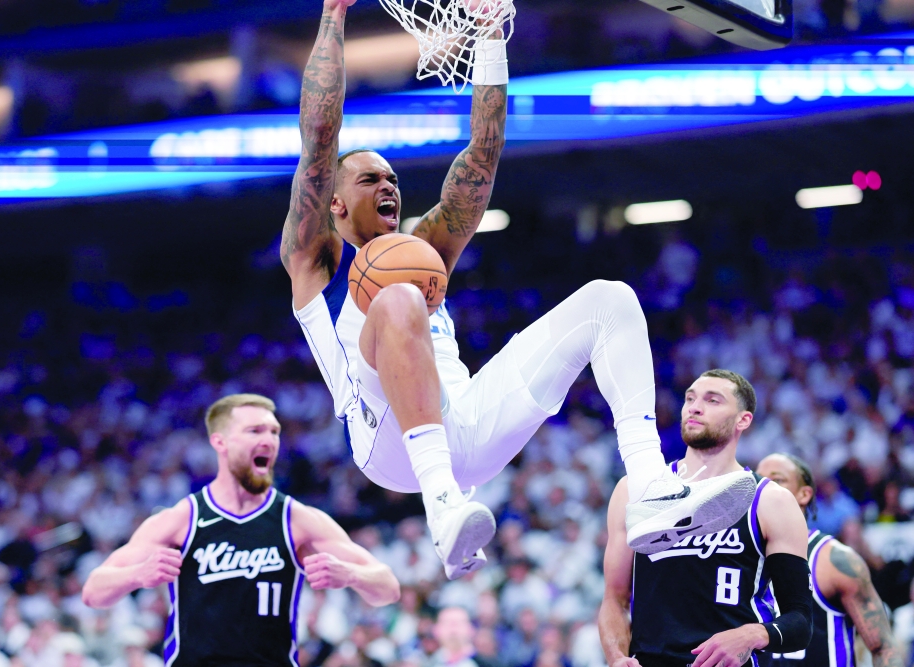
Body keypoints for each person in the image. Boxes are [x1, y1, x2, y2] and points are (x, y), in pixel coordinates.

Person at [281, 0, 757, 580]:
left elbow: (482, 157)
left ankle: (651, 485)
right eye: (370, 179)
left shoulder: (424, 249)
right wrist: (333, 14)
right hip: (387, 444)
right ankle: (441, 507)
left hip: (469, 430)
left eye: (393, 178)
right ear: (334, 202)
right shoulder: (316, 258)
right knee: (399, 299)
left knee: (609, 300)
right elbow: (318, 139)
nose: (389, 186)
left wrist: (489, 36)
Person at [81, 394, 400, 667]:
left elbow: (388, 587)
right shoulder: (182, 519)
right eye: (255, 431)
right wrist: (138, 575)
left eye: (274, 432)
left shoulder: (296, 519)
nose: (269, 440)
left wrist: (350, 575)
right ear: (220, 442)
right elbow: (93, 592)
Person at [599, 369, 813, 667]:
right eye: (690, 399)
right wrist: (617, 658)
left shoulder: (770, 500)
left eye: (713, 400)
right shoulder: (635, 490)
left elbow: (800, 620)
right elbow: (615, 599)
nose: (695, 407)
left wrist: (752, 634)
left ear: (743, 420)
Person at [757, 453, 904, 667]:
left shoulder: (834, 560)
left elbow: (883, 648)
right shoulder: (737, 558)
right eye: (759, 481)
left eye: (777, 480)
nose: (765, 488)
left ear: (804, 494)